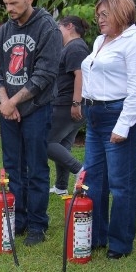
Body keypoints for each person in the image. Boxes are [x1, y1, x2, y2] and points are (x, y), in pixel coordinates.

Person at [81, 0, 136, 259]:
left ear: (121, 13)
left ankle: (120, 243)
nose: (99, 20)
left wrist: (123, 126)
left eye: (105, 14)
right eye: (98, 15)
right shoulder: (101, 40)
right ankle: (97, 235)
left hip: (117, 114)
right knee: (94, 179)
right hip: (95, 114)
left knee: (120, 183)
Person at [0, 0, 62, 246]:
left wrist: (14, 102)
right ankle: (17, 220)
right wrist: (5, 101)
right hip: (9, 110)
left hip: (36, 109)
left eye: (14, 3)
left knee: (36, 167)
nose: (9, 8)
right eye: (6, 3)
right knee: (12, 167)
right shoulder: (4, 31)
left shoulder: (47, 29)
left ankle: (37, 224)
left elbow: (45, 75)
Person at [47, 16, 90, 195]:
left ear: (70, 26)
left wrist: (76, 103)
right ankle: (61, 186)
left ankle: (80, 170)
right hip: (68, 103)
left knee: (46, 142)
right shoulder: (72, 47)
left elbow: (80, 75)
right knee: (63, 146)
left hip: (68, 104)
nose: (57, 32)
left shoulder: (75, 47)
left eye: (59, 27)